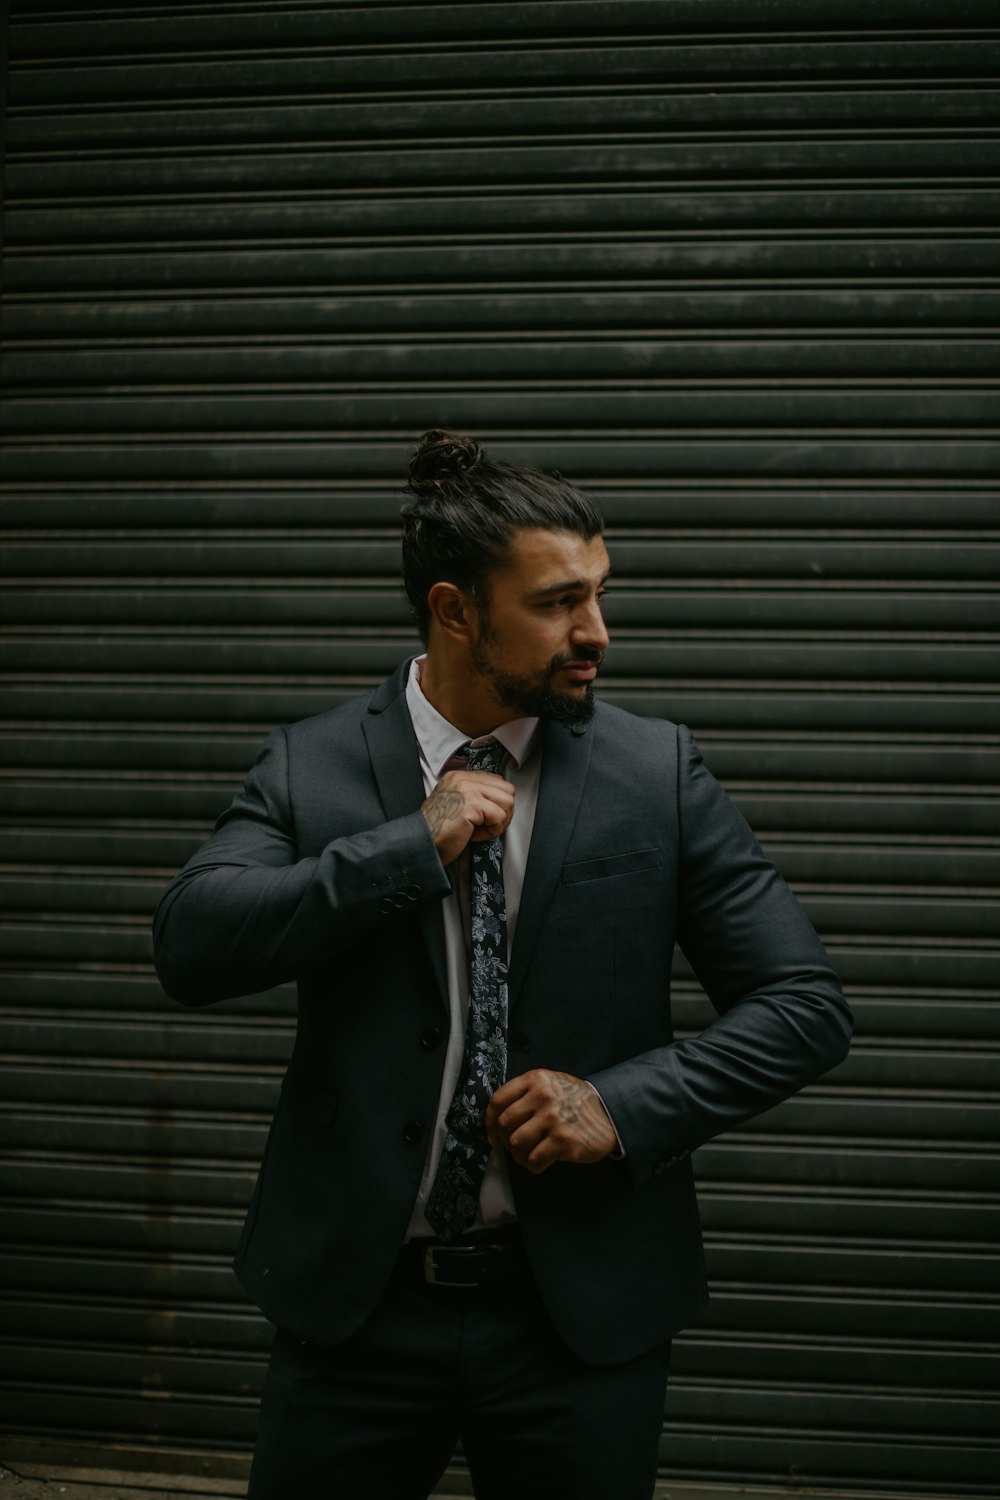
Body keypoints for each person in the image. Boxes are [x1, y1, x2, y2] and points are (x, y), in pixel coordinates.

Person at [153, 429, 852, 1500]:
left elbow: (803, 1006)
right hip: (357, 1313)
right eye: (556, 603)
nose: (596, 634)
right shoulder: (313, 763)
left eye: (599, 595)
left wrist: (621, 1105)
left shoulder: (653, 771)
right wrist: (404, 847)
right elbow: (191, 946)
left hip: (574, 1319)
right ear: (455, 611)